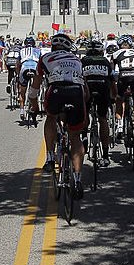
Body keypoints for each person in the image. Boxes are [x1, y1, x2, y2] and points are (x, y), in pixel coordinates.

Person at [28, 33, 89, 199]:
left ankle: (49, 157)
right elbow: (85, 87)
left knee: (51, 116)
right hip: (76, 93)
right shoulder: (77, 60)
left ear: (53, 46)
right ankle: (77, 179)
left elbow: (36, 83)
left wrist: (33, 105)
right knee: (75, 137)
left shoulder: (46, 57)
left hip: (56, 92)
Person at [81, 38, 114, 166]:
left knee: (84, 113)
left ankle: (84, 136)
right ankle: (105, 155)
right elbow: (112, 81)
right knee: (102, 118)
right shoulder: (105, 61)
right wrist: (114, 96)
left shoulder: (83, 61)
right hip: (102, 89)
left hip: (87, 89)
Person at [111, 36, 134, 144]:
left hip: (123, 76)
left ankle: (120, 125)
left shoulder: (116, 53)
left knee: (120, 98)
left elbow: (112, 71)